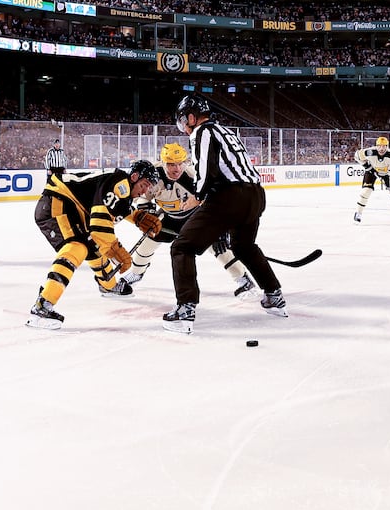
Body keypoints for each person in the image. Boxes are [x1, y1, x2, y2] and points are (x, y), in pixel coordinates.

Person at [166, 95, 286, 334]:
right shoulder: (226, 130)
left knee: (182, 247)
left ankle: (185, 309)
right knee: (244, 247)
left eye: (183, 120)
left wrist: (197, 196)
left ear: (191, 116)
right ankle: (274, 295)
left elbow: (205, 169)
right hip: (255, 196)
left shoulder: (202, 132)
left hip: (231, 196)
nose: (183, 126)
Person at [27, 160, 163, 330]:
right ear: (134, 177)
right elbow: (99, 224)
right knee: (77, 246)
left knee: (94, 248)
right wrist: (115, 250)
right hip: (58, 201)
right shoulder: (120, 183)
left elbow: (119, 209)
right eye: (144, 184)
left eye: (148, 187)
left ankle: (108, 285)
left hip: (74, 208)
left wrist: (138, 217)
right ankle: (43, 304)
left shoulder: (124, 190)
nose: (145, 191)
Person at [122, 142, 257, 297]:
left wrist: (221, 231)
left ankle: (243, 279)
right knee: (145, 246)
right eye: (171, 164)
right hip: (169, 217)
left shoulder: (194, 176)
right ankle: (136, 274)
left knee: (218, 248)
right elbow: (143, 198)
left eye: (180, 163)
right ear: (163, 162)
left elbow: (217, 202)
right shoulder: (153, 175)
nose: (177, 169)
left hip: (195, 217)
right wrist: (147, 212)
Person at [353, 135, 390, 223]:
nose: (381, 148)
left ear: (387, 147)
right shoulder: (369, 152)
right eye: (379, 146)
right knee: (366, 192)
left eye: (384, 146)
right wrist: (367, 166)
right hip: (371, 171)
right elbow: (357, 156)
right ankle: (358, 213)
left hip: (386, 174)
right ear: (376, 146)